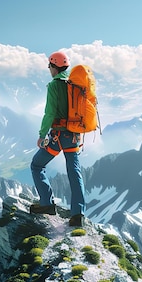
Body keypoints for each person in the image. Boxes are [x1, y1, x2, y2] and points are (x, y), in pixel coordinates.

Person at [29, 51, 86, 226]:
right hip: (74, 136)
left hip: (59, 136)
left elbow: (50, 113)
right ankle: (78, 214)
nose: (49, 69)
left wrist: (41, 135)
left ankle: (47, 204)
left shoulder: (54, 85)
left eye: (49, 66)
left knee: (37, 165)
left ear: (54, 66)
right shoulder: (75, 84)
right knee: (74, 172)